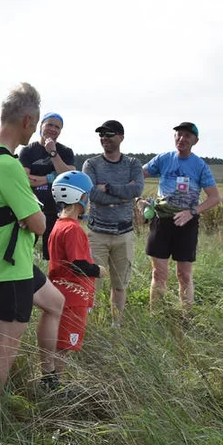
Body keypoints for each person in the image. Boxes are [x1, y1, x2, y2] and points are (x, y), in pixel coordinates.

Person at [0, 83, 64, 397]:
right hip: (9, 265)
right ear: (28, 121)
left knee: (56, 303)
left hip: (13, 260)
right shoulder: (7, 165)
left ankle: (49, 376)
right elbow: (39, 225)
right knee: (7, 346)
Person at [140, 122, 222, 312]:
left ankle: (186, 317)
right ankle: (156, 315)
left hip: (186, 223)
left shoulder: (200, 166)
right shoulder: (163, 159)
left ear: (195, 141)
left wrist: (191, 212)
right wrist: (138, 199)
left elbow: (215, 197)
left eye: (187, 136)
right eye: (178, 134)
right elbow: (138, 176)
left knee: (183, 275)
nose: (182, 139)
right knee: (159, 273)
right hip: (161, 221)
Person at [47, 171, 105, 387]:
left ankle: (51, 379)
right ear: (81, 197)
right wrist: (99, 270)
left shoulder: (59, 224)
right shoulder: (72, 229)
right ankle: (54, 384)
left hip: (63, 294)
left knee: (60, 342)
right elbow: (79, 265)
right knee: (64, 345)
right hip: (72, 298)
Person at [82, 120, 144, 323]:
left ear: (121, 137)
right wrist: (122, 193)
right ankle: (89, 326)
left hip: (124, 235)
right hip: (97, 234)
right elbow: (93, 194)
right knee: (91, 284)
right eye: (101, 135)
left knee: (120, 285)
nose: (104, 138)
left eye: (109, 134)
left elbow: (137, 190)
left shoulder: (133, 164)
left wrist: (106, 187)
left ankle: (115, 325)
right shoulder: (91, 164)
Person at [19, 112, 76, 260]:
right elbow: (25, 180)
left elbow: (68, 179)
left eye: (57, 127)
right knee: (23, 254)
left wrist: (53, 153)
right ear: (41, 126)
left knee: (52, 256)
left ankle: (50, 283)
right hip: (31, 209)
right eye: (49, 124)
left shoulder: (65, 152)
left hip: (56, 210)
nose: (52, 129)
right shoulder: (28, 150)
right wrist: (52, 177)